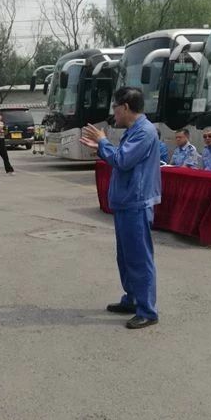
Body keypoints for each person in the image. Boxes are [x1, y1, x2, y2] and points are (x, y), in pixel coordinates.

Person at [80, 87, 161, 329]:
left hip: (136, 203)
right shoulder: (134, 131)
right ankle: (133, 299)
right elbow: (121, 157)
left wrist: (102, 142)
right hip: (127, 202)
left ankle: (147, 310)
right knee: (126, 257)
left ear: (125, 107)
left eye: (115, 107)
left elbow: (123, 160)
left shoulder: (144, 132)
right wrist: (102, 148)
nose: (113, 113)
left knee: (139, 258)